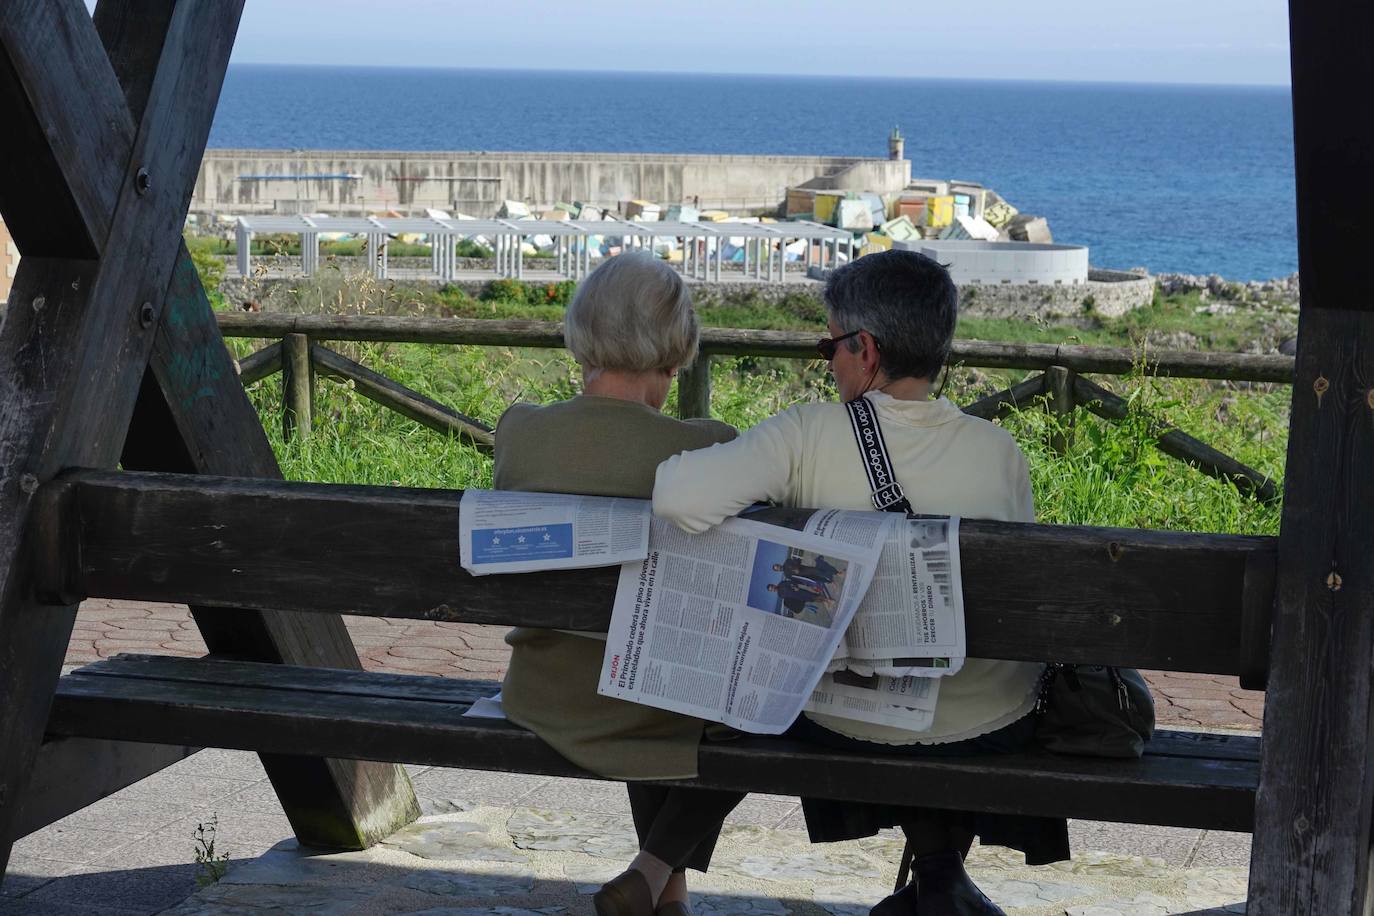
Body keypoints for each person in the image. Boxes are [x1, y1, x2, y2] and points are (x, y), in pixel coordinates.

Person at [653, 250, 1067, 916]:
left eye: (831, 346)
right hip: (989, 723)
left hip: (841, 722)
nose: (829, 363)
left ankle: (654, 866)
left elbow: (677, 497)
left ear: (865, 350)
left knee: (768, 687)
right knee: (938, 705)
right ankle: (940, 878)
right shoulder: (1000, 452)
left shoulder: (806, 434)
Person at [495, 252, 745, 916]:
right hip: (655, 705)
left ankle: (665, 889)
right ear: (675, 347)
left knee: (638, 652)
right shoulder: (708, 448)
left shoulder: (520, 432)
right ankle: (657, 874)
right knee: (726, 694)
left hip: (545, 694)